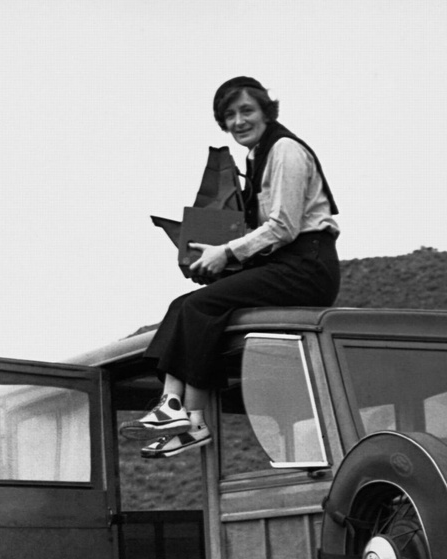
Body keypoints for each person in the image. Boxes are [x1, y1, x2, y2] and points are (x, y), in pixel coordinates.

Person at [122, 76, 341, 457]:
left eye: (246, 111)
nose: (239, 121)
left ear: (266, 112)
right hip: (284, 262)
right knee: (184, 305)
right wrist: (213, 256)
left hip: (307, 266)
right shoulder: (256, 157)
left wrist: (225, 252)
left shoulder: (285, 150)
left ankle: (188, 417)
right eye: (229, 115)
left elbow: (283, 227)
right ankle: (179, 411)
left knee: (200, 306)